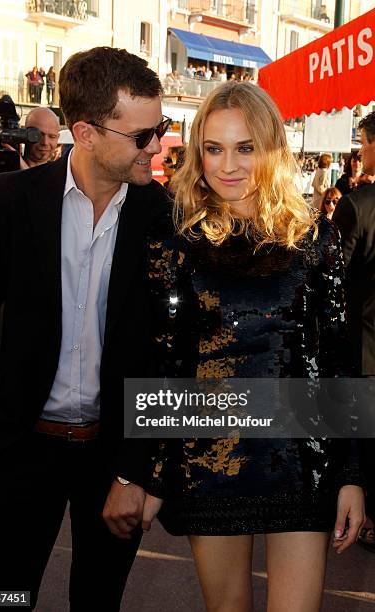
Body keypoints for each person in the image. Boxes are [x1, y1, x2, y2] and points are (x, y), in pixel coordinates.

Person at [108, 82, 365, 611]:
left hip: (301, 454)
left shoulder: (315, 237)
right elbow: (165, 359)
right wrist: (149, 471)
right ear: (198, 150)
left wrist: (351, 476)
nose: (229, 165)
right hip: (211, 452)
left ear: (271, 147)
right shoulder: (171, 238)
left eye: (245, 147)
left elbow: (339, 359)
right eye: (214, 147)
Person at [0, 46, 170, 611]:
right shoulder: (12, 201)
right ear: (84, 131)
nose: (155, 146)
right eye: (141, 135)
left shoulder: (165, 217)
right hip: (21, 450)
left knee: (98, 602)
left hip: (113, 459)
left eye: (162, 128)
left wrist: (137, 468)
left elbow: (168, 352)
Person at [332, 110, 375, 554]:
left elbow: (330, 279)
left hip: (364, 353)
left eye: (364, 141)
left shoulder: (359, 204)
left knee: (364, 449)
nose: (361, 152)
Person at [0, 106, 60, 226]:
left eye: (52, 136)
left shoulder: (60, 176)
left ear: (58, 138)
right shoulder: (2, 172)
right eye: (38, 135)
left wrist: (26, 176)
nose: (45, 142)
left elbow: (48, 222)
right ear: (24, 134)